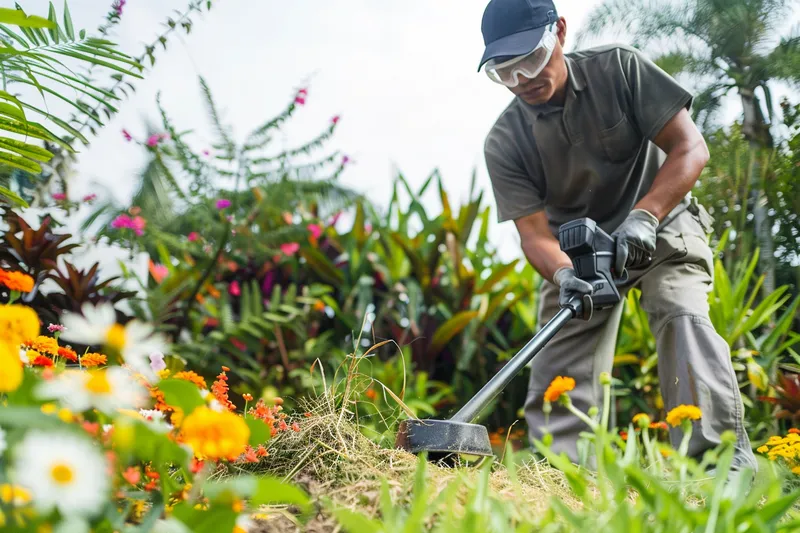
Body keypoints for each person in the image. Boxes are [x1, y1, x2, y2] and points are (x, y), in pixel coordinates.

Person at [478, 0, 758, 473]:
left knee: (679, 310)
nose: (524, 80)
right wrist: (564, 273)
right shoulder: (505, 141)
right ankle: (561, 480)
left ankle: (718, 470)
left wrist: (646, 215)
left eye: (531, 58)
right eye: (506, 72)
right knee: (558, 359)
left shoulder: (619, 69)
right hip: (580, 256)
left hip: (662, 223)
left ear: (560, 32)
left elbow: (690, 148)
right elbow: (534, 235)